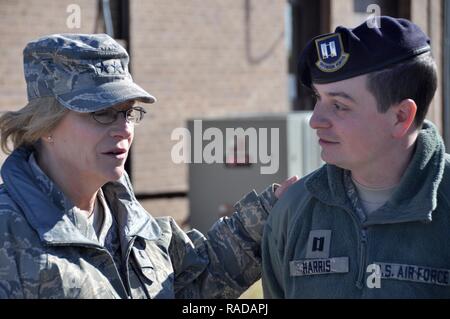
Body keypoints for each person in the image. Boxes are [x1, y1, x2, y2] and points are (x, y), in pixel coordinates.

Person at [0, 33, 297, 299]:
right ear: (45, 124)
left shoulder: (131, 220)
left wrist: (268, 215)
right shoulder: (8, 234)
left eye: (128, 113)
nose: (124, 129)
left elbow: (191, 283)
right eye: (102, 113)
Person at [262, 16, 450, 298]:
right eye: (318, 98)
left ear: (400, 117)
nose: (315, 120)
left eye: (339, 105)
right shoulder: (294, 210)